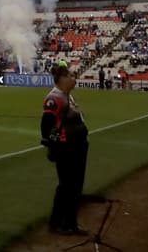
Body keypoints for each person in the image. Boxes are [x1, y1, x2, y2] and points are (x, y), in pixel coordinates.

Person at [41, 63, 89, 236]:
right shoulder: (55, 98)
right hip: (66, 148)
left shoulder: (68, 96)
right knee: (67, 187)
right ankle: (59, 223)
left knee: (75, 187)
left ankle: (70, 223)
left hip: (77, 146)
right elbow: (46, 124)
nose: (73, 78)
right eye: (70, 76)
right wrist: (52, 146)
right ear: (61, 79)